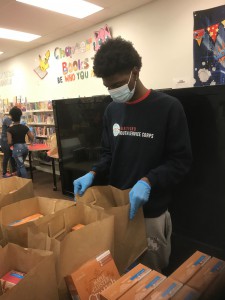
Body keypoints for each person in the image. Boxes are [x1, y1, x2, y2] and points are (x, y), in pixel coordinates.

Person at [73, 37, 192, 271]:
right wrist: (93, 172)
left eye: (116, 83)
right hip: (117, 210)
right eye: (108, 86)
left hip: (151, 215)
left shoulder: (168, 108)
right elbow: (108, 154)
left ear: (135, 72)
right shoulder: (112, 110)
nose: (112, 91)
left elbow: (181, 161)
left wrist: (149, 180)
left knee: (151, 278)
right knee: (120, 272)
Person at [7, 106, 34, 178]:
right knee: (20, 165)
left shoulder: (10, 129)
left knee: (21, 166)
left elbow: (9, 142)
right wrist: (31, 142)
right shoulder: (25, 127)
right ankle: (19, 180)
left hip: (17, 149)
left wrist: (12, 144)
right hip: (25, 148)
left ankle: (26, 184)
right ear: (20, 116)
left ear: (12, 117)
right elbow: (32, 137)